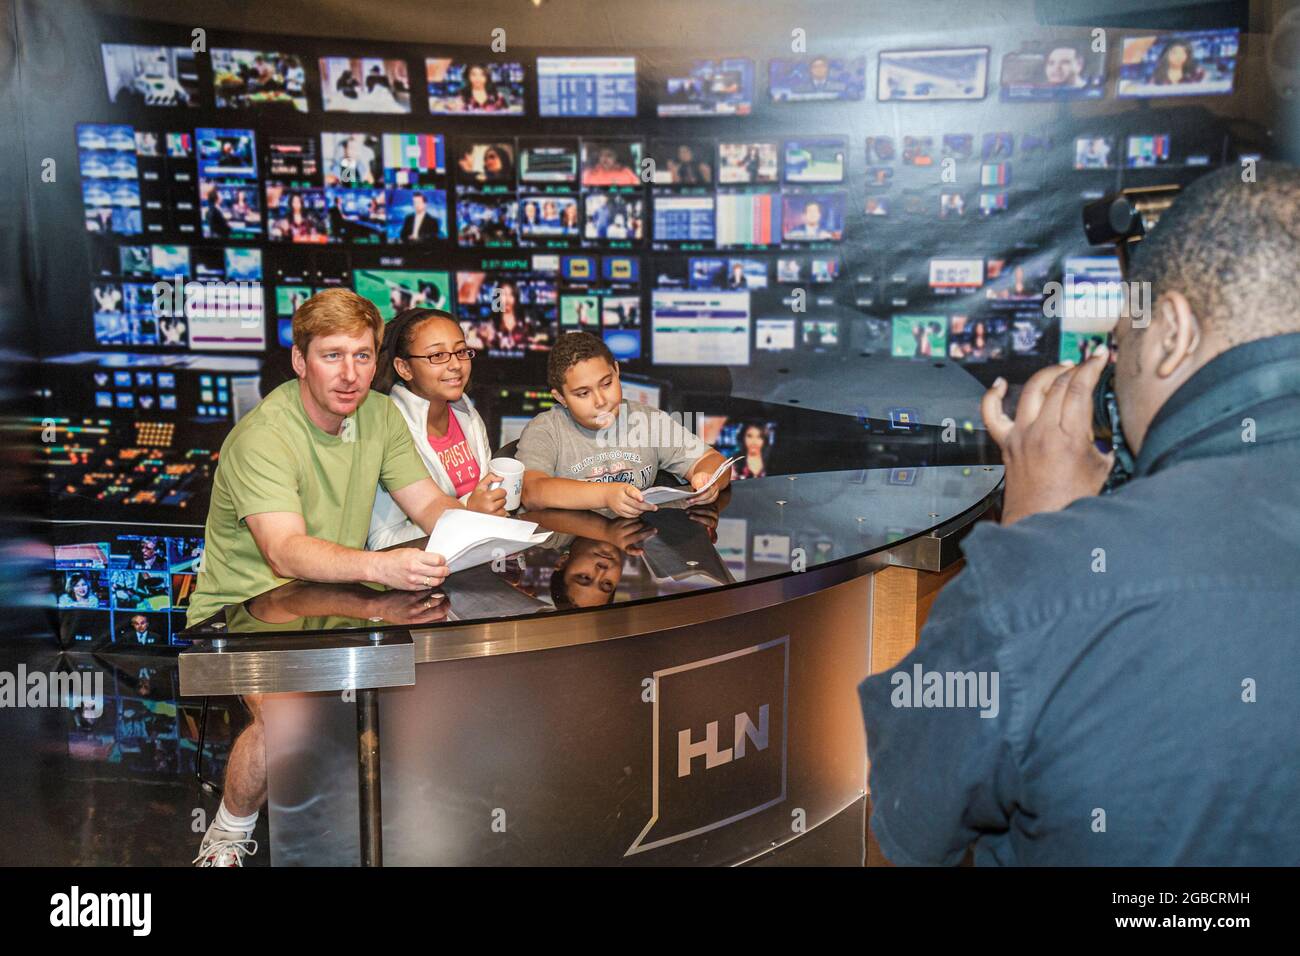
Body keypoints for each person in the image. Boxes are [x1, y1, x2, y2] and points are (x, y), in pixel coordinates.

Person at [859, 163, 1300, 865]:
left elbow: (912, 815)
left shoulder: (1048, 586)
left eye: (1121, 342)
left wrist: (1035, 536)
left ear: (1173, 334)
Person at [188, 288, 464, 867]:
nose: (349, 374)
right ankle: (228, 834)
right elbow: (283, 553)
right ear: (299, 361)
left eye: (363, 356)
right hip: (248, 603)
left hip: (337, 591)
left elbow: (431, 506)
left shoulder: (382, 414)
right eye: (331, 355)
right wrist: (381, 566)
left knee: (434, 683)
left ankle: (393, 822)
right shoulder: (264, 435)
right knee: (287, 718)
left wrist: (492, 529)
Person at [516, 332, 731, 517]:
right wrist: (606, 495)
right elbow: (532, 491)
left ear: (617, 371)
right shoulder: (546, 431)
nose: (600, 401)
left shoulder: (647, 421)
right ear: (561, 397)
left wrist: (709, 480)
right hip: (567, 553)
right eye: (583, 393)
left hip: (633, 550)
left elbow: (713, 461)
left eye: (607, 383)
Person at [367, 308, 506, 550]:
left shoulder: (467, 413)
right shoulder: (388, 427)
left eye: (461, 351)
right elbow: (382, 542)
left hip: (473, 557)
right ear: (404, 368)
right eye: (437, 355)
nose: (456, 365)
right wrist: (468, 512)